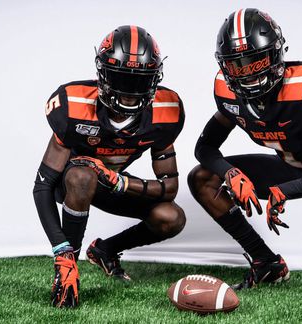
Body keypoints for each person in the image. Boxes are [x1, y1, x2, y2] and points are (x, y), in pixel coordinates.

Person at [188, 8, 302, 301]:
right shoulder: (227, 92)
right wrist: (230, 173)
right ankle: (266, 262)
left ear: (276, 54)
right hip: (290, 164)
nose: (248, 73)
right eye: (238, 66)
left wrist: (282, 191)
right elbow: (204, 148)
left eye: (255, 62)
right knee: (203, 178)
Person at [33, 25, 185, 308]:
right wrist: (60, 248)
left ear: (154, 80)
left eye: (139, 81)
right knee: (81, 176)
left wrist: (120, 182)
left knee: (172, 217)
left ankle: (105, 250)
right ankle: (68, 267)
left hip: (113, 182)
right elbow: (42, 185)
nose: (128, 91)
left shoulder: (168, 110)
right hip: (73, 185)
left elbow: (170, 189)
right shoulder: (73, 104)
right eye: (120, 78)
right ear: (102, 75)